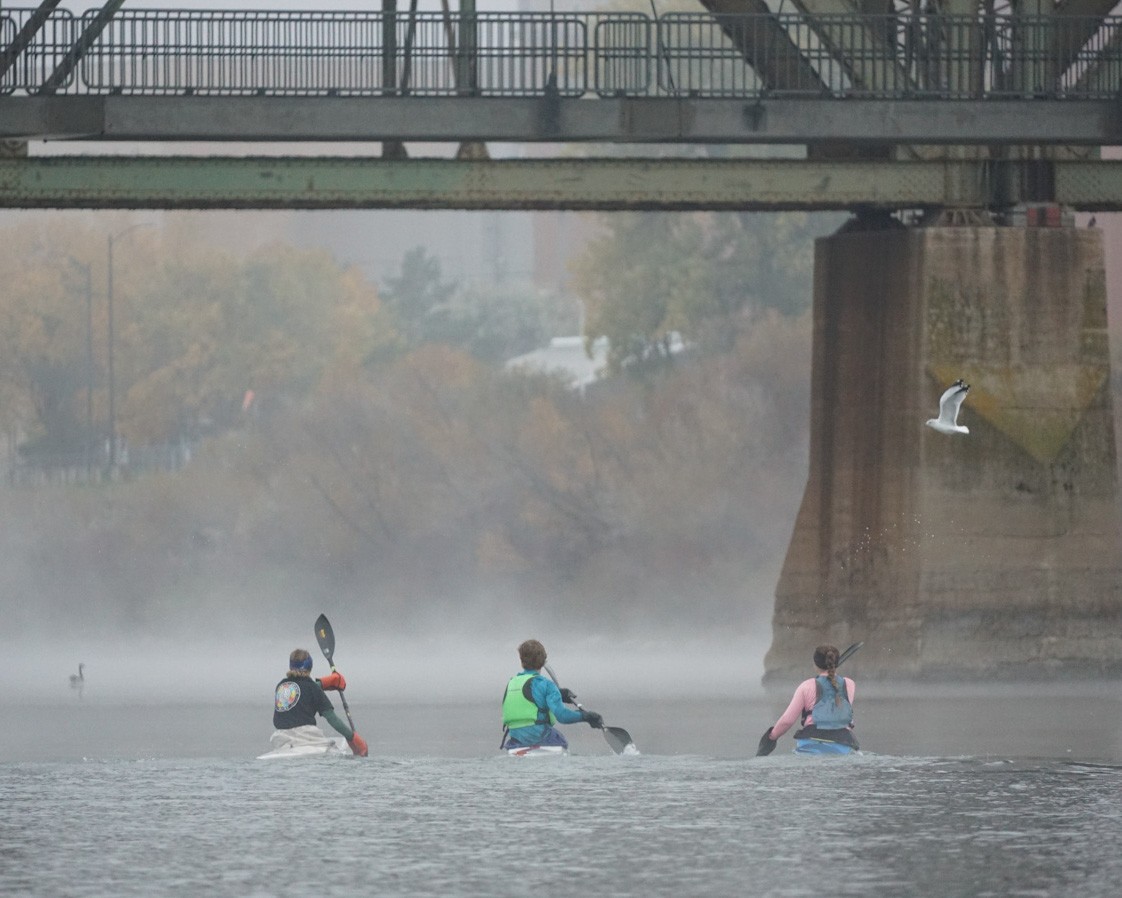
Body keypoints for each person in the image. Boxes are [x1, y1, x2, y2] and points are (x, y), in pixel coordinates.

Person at [756, 644, 858, 756]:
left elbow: (787, 721)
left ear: (815, 664)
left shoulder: (806, 686)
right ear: (836, 663)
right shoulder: (849, 684)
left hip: (810, 739)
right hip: (842, 741)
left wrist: (771, 737)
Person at [501, 639, 603, 750]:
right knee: (562, 740)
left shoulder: (511, 683)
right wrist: (585, 716)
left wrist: (558, 694)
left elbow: (532, 698)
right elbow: (562, 716)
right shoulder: (547, 685)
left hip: (516, 740)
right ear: (543, 661)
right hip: (540, 737)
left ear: (521, 660)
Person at [270, 648, 368, 757]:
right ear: (310, 666)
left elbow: (303, 690)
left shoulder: (281, 686)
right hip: (306, 737)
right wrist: (353, 738)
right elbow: (332, 719)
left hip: (280, 738)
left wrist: (326, 682)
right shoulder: (312, 688)